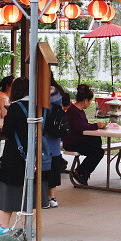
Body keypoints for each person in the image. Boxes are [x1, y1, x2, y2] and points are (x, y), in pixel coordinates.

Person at [0, 77, 30, 237]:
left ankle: (3, 226)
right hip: (35, 156)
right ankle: (28, 228)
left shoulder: (16, 107)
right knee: (31, 192)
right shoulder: (39, 107)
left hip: (15, 155)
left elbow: (7, 132)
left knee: (7, 190)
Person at [63, 84, 107, 186]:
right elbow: (79, 127)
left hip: (80, 140)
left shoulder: (80, 111)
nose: (90, 103)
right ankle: (81, 171)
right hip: (73, 142)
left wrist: (96, 126)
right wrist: (96, 125)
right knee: (98, 152)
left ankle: (83, 171)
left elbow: (84, 125)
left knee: (97, 144)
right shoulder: (73, 111)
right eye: (90, 101)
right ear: (86, 100)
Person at [42, 76, 67, 207]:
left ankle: (42, 197)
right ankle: (52, 197)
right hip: (55, 138)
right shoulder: (58, 92)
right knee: (54, 167)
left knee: (43, 167)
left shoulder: (39, 92)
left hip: (43, 135)